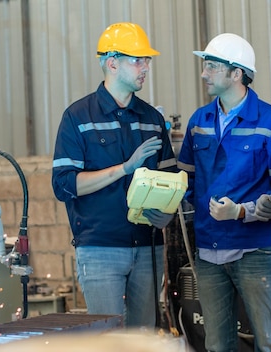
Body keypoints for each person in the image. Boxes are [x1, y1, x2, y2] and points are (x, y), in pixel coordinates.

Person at [51, 22, 177, 328]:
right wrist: (125, 168)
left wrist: (167, 215)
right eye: (138, 60)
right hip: (100, 250)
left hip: (147, 247)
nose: (145, 67)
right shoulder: (77, 118)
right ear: (112, 63)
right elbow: (64, 185)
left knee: (143, 339)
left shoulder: (151, 118)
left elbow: (171, 178)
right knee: (107, 339)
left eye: (147, 60)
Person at [177, 33, 271, 352]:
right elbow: (184, 181)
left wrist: (241, 212)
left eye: (212, 66)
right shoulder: (199, 122)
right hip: (208, 251)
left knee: (269, 342)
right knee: (216, 345)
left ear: (236, 73)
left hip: (255, 251)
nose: (204, 74)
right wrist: (163, 202)